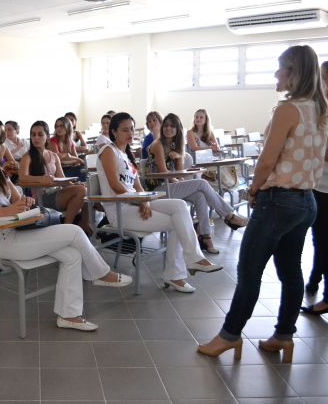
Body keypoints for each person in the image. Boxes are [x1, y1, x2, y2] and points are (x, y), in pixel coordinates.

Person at [198, 45, 327, 362]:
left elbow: (268, 160)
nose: (275, 73)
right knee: (291, 271)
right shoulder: (320, 109)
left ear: (294, 73)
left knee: (249, 270)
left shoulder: (288, 109)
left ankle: (229, 335)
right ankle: (284, 335)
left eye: (280, 67)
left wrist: (253, 190)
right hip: (306, 200)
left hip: (279, 200)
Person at [0, 125, 132, 331]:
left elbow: (16, 199)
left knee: (72, 255)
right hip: (1, 242)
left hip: (18, 231)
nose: (4, 147)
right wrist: (8, 210)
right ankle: (101, 273)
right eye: (1, 143)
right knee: (75, 231)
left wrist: (23, 200)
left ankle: (69, 315)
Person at [97, 113, 221, 293]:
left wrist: (145, 200)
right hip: (119, 209)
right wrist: (141, 201)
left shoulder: (126, 154)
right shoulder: (108, 151)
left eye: (132, 129)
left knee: (179, 206)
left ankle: (193, 259)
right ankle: (177, 274)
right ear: (114, 132)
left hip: (134, 203)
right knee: (178, 222)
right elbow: (115, 185)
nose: (130, 133)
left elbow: (138, 186)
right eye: (125, 130)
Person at [145, 113, 248, 254]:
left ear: (177, 129)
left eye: (172, 126)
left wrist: (179, 156)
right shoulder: (158, 144)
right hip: (157, 190)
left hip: (169, 186)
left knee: (200, 195)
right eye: (166, 126)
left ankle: (206, 237)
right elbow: (164, 173)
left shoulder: (175, 145)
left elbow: (179, 174)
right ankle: (229, 216)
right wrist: (180, 181)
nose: (168, 129)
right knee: (201, 183)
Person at [19, 121, 91, 234]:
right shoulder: (27, 157)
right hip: (41, 197)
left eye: (40, 134)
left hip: (56, 192)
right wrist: (41, 179)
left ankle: (83, 223)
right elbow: (22, 178)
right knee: (81, 191)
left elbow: (62, 179)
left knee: (85, 189)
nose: (36, 138)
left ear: (47, 137)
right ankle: (67, 228)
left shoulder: (53, 156)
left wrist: (75, 184)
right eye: (33, 134)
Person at [302, 61, 328, 314]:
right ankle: (314, 279)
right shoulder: (320, 109)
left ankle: (326, 295)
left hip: (325, 186)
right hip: (319, 185)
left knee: (323, 239)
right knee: (319, 238)